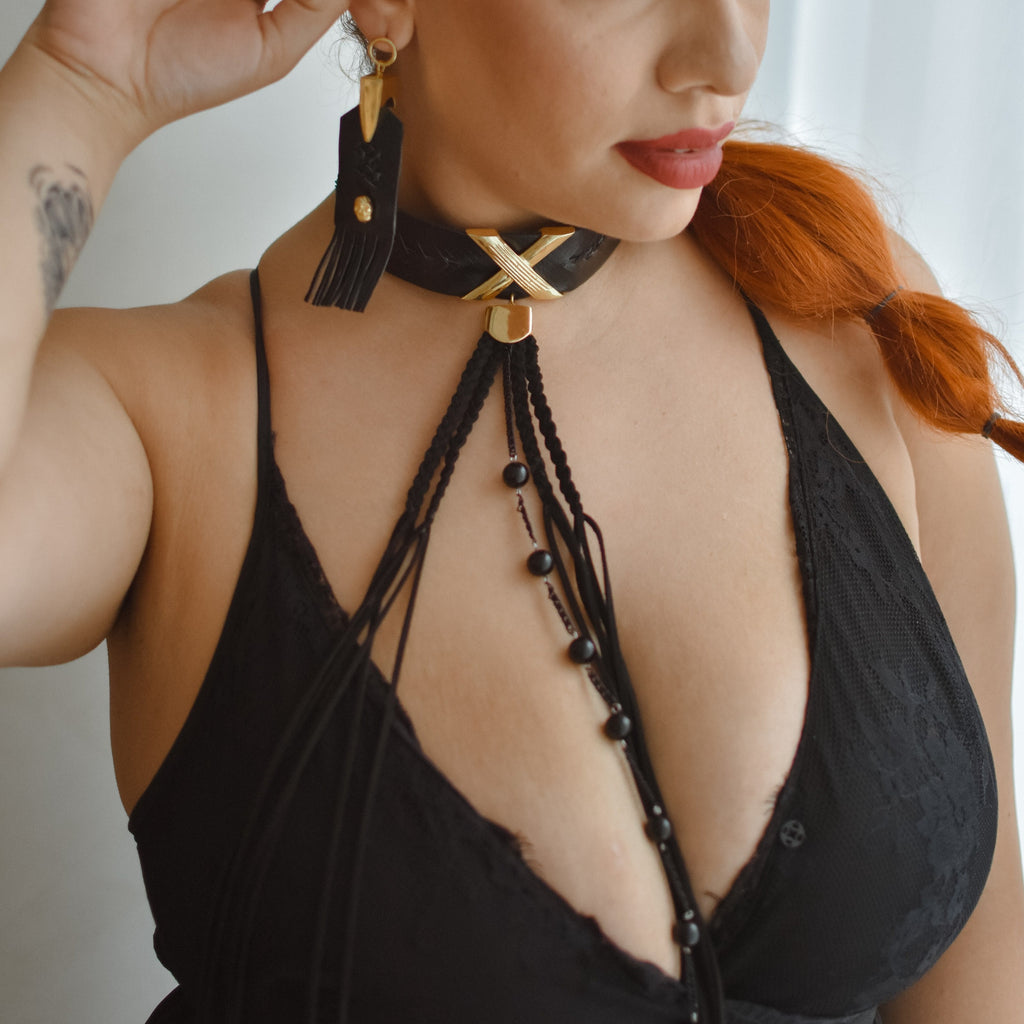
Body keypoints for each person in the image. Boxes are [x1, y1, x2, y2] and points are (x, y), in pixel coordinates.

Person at [1, 0, 1023, 1021]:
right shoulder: (163, 419)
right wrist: (81, 86)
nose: (729, 54)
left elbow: (980, 962)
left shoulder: (850, 307)